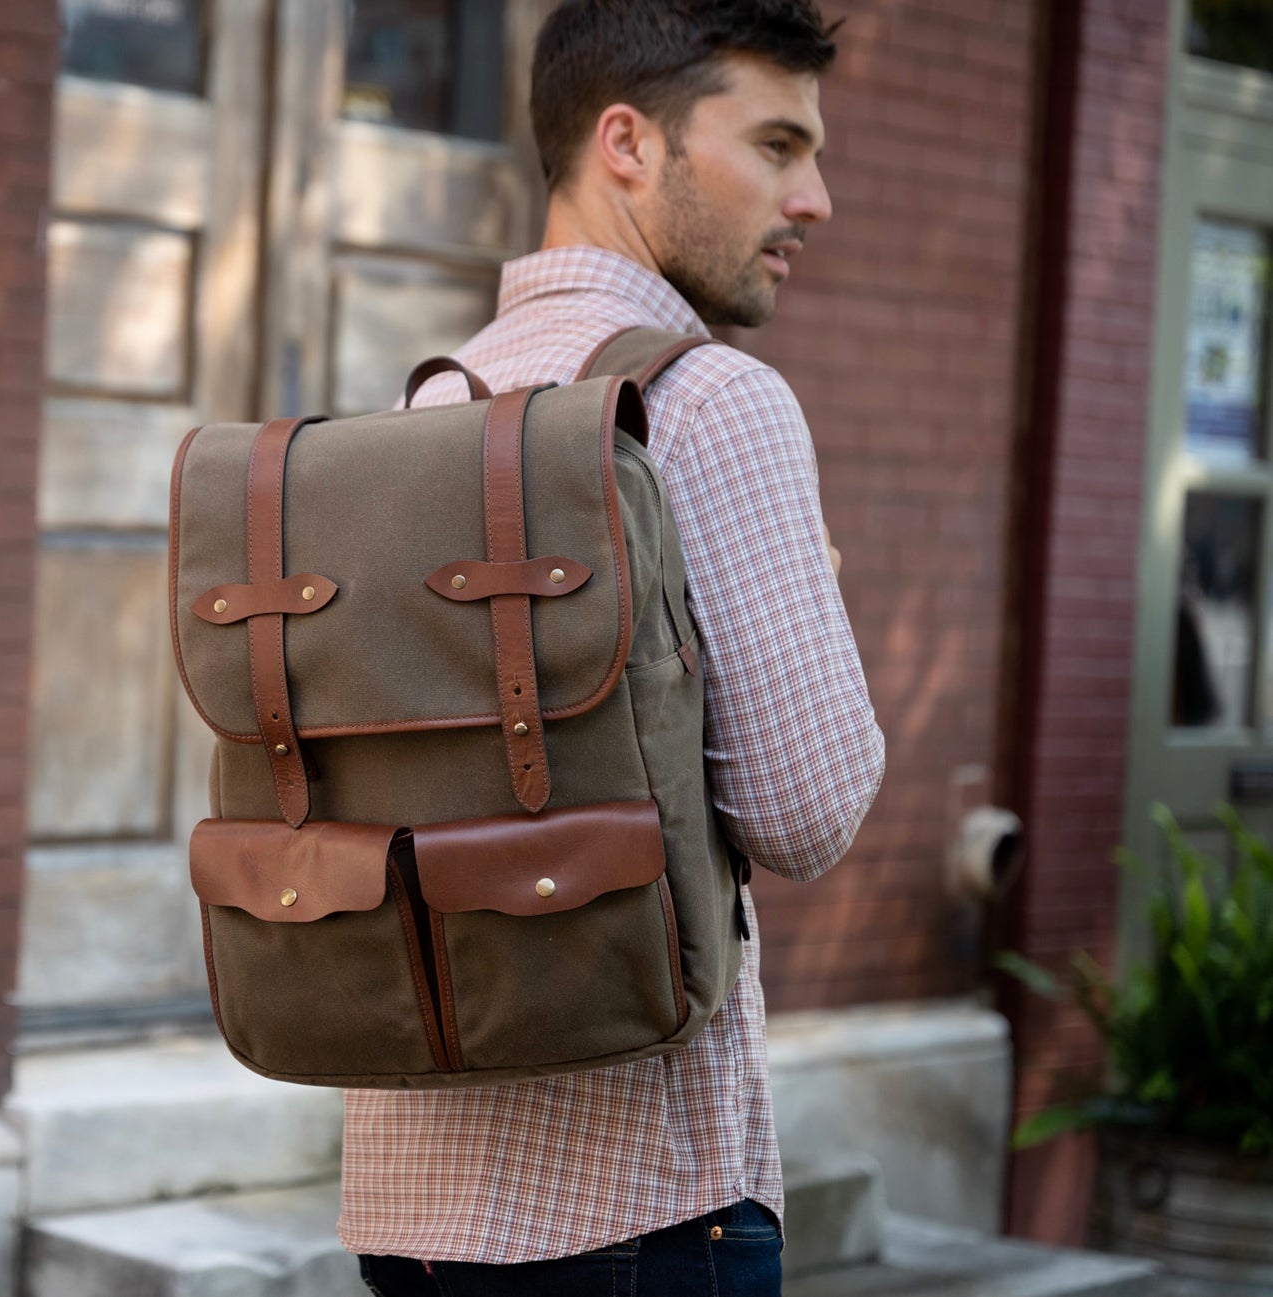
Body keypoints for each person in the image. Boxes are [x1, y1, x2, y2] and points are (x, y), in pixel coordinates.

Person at [353, 2, 886, 1294]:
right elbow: (807, 814)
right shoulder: (710, 404)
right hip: (641, 1212)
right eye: (773, 144)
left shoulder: (417, 407)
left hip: (409, 1207)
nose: (810, 197)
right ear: (627, 143)